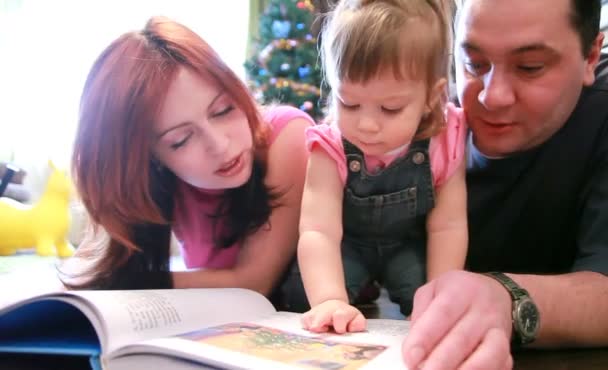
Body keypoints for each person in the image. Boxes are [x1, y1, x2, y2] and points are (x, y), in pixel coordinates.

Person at [402, 0, 608, 369]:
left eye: (530, 68)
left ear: (591, 56)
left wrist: (506, 299)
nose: (490, 97)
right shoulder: (418, 121)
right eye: (474, 65)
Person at [64, 16, 314, 310]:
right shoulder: (150, 184)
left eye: (223, 110)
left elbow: (254, 281)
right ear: (148, 157)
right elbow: (96, 268)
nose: (220, 145)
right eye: (181, 140)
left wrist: (130, 282)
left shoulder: (287, 137)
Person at [297, 0, 469, 334]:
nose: (367, 125)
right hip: (348, 245)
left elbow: (447, 227)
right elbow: (319, 230)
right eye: (349, 102)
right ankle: (354, 288)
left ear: (431, 98)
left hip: (406, 247)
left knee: (426, 297)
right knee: (301, 296)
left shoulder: (444, 140)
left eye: (390, 108)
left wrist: (439, 297)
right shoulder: (330, 146)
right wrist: (329, 299)